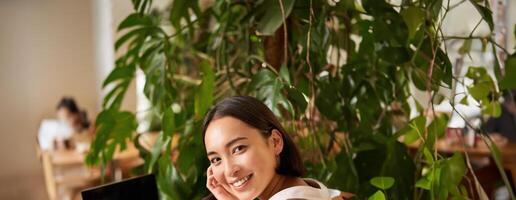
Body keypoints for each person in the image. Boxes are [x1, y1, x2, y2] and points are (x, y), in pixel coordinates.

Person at [202, 96, 353, 200]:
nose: (229, 171)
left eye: (238, 148)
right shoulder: (308, 187)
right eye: (216, 159)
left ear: (275, 142)